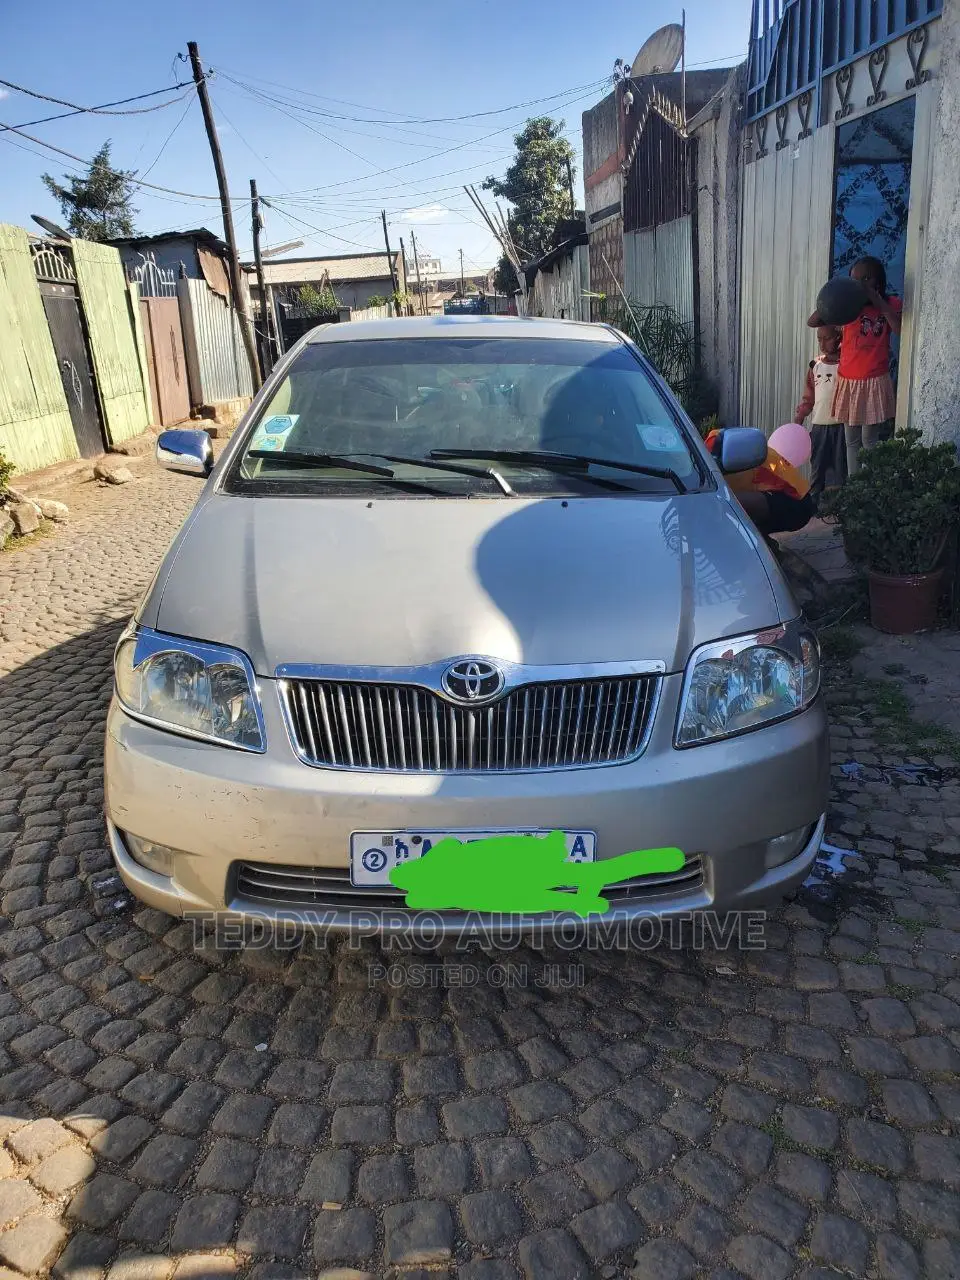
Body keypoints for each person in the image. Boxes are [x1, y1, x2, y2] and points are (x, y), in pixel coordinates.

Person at [807, 256, 902, 476]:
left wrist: (878, 303)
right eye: (854, 279)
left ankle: (870, 485)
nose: (859, 283)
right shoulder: (848, 308)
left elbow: (898, 329)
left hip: (874, 381)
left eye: (865, 278)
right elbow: (812, 321)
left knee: (870, 439)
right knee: (852, 440)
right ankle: (855, 485)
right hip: (849, 381)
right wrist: (834, 297)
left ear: (878, 282)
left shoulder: (891, 305)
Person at [704, 428, 814, 537]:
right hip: (764, 495)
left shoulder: (714, 447)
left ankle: (755, 542)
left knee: (719, 502)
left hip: (794, 499)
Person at [794, 324, 844, 510]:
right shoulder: (815, 365)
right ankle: (813, 505)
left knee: (841, 466)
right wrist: (800, 417)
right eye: (819, 339)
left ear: (838, 338)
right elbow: (809, 397)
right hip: (819, 425)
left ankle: (841, 506)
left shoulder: (845, 365)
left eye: (827, 338)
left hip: (840, 424)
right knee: (818, 466)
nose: (822, 343)